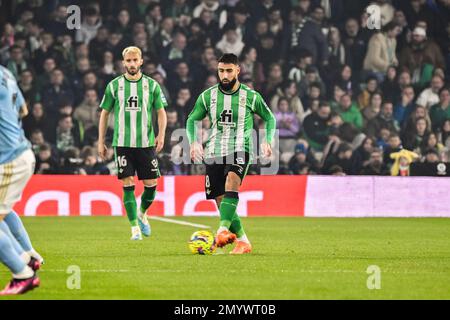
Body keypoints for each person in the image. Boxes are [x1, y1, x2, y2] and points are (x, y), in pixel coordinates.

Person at [186, 53, 276, 254]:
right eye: (221, 71)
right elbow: (192, 119)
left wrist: (268, 139)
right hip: (215, 149)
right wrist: (193, 142)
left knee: (232, 182)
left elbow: (270, 118)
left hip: (240, 148)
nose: (224, 75)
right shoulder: (207, 96)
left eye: (228, 71)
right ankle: (243, 241)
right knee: (220, 198)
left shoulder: (251, 96)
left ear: (238, 70)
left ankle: (222, 230)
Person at [97, 46, 168, 241]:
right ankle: (134, 228)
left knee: (151, 185)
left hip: (146, 143)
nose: (132, 64)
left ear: (141, 61)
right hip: (123, 144)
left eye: (135, 60)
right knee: (127, 184)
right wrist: (101, 140)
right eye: (128, 61)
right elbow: (104, 113)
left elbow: (161, 112)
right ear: (123, 63)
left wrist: (161, 135)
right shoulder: (114, 86)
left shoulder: (152, 85)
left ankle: (142, 212)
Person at [0, 65, 43, 295]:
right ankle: (26, 257)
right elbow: (24, 110)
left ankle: (23, 274)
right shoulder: (5, 72)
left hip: (9, 159)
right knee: (2, 212)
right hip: (17, 152)